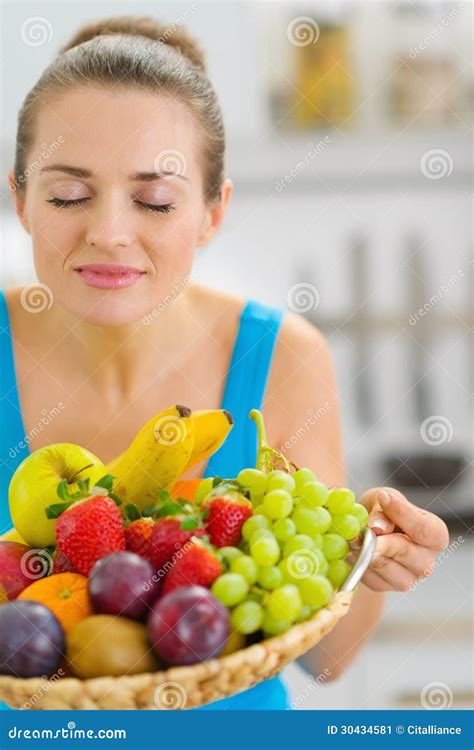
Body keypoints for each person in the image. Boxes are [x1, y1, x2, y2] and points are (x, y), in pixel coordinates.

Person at [0, 15, 449, 711]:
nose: (110, 233)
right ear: (21, 197)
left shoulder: (282, 358)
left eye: (154, 200)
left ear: (213, 211)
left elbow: (326, 660)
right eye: (68, 195)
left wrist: (371, 563)